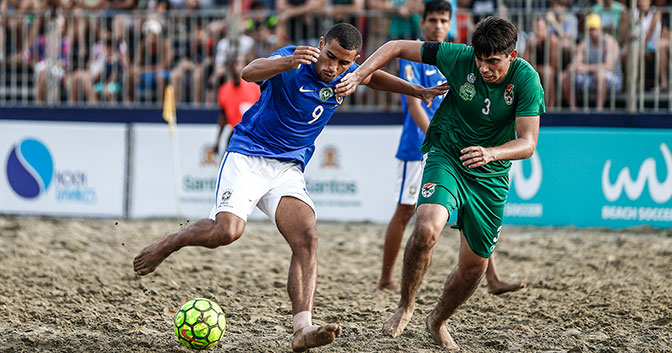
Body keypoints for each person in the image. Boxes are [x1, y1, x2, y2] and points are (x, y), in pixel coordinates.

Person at [133, 23, 448, 352]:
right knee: (227, 232)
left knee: (307, 237)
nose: (333, 68)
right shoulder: (293, 59)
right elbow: (248, 72)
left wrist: (417, 91)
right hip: (249, 155)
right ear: (321, 43)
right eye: (329, 57)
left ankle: (302, 328)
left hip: (288, 168)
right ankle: (171, 242)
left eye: (344, 63)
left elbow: (372, 76)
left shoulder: (347, 73)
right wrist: (287, 62)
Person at [336, 16, 544, 349]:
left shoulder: (526, 80)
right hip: (449, 153)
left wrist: (491, 154)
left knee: (474, 265)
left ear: (512, 56)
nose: (485, 68)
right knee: (426, 227)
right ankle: (405, 305)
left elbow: (529, 142)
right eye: (481, 60)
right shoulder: (459, 57)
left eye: (493, 61)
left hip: (490, 174)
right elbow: (396, 46)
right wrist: (360, 74)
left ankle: (438, 320)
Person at [377, 0, 524, 297]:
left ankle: (492, 278)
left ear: (451, 23)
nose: (438, 26)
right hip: (418, 146)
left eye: (444, 20)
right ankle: (385, 278)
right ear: (423, 23)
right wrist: (439, 140)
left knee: (471, 212)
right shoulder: (415, 56)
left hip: (454, 146)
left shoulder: (466, 57)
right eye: (433, 20)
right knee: (405, 213)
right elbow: (415, 106)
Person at [562, 13, 622, 111]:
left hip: (613, 79)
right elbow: (575, 64)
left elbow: (609, 66)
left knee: (600, 74)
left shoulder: (610, 42)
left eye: (594, 28)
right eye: (590, 29)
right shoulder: (585, 43)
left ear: (600, 28)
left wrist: (586, 68)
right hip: (591, 78)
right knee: (565, 75)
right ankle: (574, 110)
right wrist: (575, 67)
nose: (592, 32)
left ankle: (598, 111)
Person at [212, 54, 261, 154]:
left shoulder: (255, 88)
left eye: (239, 63)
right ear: (229, 67)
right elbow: (223, 117)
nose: (236, 67)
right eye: (234, 64)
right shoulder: (224, 90)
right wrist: (217, 141)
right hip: (235, 135)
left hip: (252, 136)